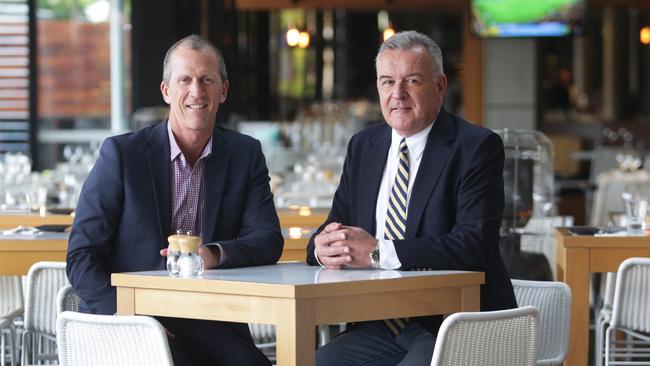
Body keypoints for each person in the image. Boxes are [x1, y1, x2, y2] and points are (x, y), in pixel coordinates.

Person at [67, 35, 283, 366]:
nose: (196, 91)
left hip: (213, 319)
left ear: (223, 90)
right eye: (185, 80)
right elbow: (82, 255)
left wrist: (212, 254)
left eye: (206, 80)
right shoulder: (122, 155)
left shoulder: (245, 153)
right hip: (136, 318)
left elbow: (267, 239)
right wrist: (129, 318)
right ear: (167, 91)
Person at [307, 30, 517, 366]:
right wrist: (321, 246)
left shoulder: (476, 147)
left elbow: (474, 246)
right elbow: (335, 225)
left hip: (453, 321)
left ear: (440, 86)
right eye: (387, 82)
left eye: (413, 80)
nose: (397, 94)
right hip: (379, 322)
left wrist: (377, 252)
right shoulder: (364, 146)